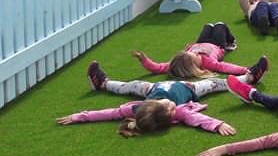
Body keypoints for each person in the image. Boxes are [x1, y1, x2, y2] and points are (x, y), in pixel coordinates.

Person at [56, 61, 240, 137]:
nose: (172, 105)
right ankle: (244, 79)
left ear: (150, 102)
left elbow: (109, 113)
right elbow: (197, 119)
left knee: (132, 85)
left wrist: (79, 116)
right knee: (211, 83)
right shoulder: (179, 111)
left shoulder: (137, 108)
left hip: (153, 87)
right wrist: (217, 124)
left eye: (167, 105)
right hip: (188, 88)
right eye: (171, 110)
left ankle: (102, 83)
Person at [132, 21, 268, 82]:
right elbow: (226, 67)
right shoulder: (207, 62)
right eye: (194, 56)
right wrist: (245, 69)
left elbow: (158, 67)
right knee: (220, 26)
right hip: (216, 44)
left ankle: (211, 27)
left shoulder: (177, 62)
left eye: (191, 52)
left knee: (207, 26)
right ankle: (231, 41)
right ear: (194, 66)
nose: (196, 53)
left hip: (200, 42)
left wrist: (144, 60)